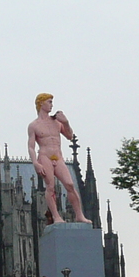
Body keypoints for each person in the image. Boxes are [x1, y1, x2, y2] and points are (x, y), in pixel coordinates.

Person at [26, 93, 91, 226]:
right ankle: (56, 216)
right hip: (45, 157)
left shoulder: (57, 122)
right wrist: (35, 163)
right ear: (41, 104)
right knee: (50, 187)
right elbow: (31, 146)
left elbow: (69, 136)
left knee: (70, 185)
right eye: (49, 102)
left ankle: (79, 215)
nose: (52, 105)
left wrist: (66, 122)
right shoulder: (34, 125)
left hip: (58, 157)